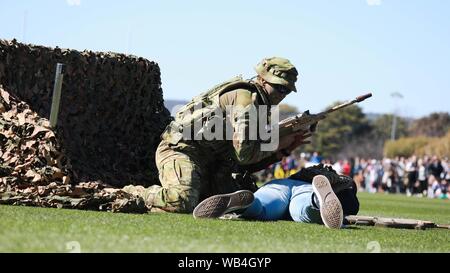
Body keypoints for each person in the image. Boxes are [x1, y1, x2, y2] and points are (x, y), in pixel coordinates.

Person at [122, 57, 311, 213]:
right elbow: (244, 155)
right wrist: (276, 142)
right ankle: (128, 194)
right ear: (262, 79)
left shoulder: (261, 109)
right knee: (181, 201)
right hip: (182, 151)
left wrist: (283, 150)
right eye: (278, 87)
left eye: (286, 90)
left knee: (245, 204)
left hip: (212, 162)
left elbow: (244, 164)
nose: (282, 94)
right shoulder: (245, 99)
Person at [193, 164, 359, 229]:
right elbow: (351, 205)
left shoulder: (306, 171)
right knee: (302, 210)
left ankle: (245, 205)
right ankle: (316, 201)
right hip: (307, 190)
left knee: (262, 208)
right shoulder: (345, 187)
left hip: (279, 185)